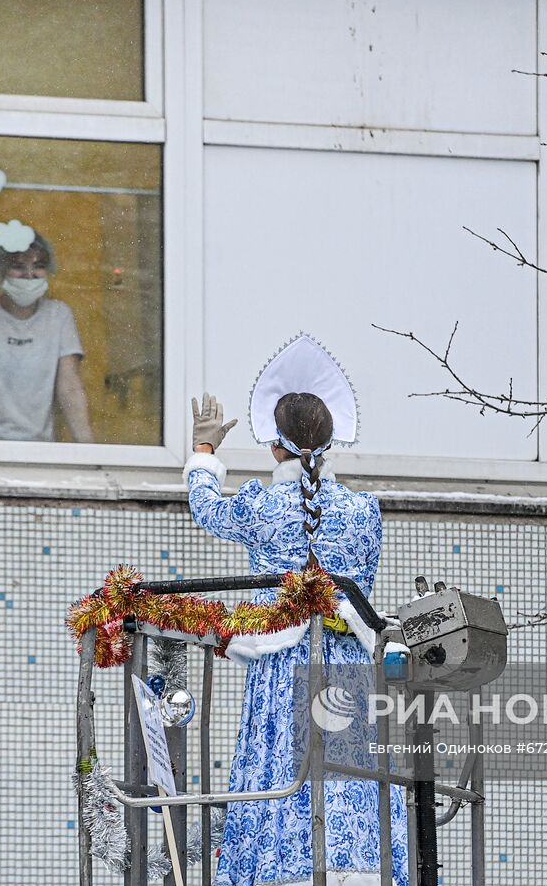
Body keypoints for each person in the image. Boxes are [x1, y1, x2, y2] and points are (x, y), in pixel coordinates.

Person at [183, 335, 408, 886]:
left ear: (275, 445)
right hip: (344, 667)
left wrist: (205, 451)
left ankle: (277, 869)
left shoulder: (261, 505)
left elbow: (206, 509)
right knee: (348, 765)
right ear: (328, 444)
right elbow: (364, 583)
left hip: (281, 665)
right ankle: (357, 867)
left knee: (278, 760)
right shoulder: (362, 511)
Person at [0, 235, 93, 441]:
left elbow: (70, 387)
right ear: (2, 270)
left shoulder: (58, 315)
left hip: (37, 447)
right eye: (18, 266)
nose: (29, 275)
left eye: (38, 266)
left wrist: (90, 452)